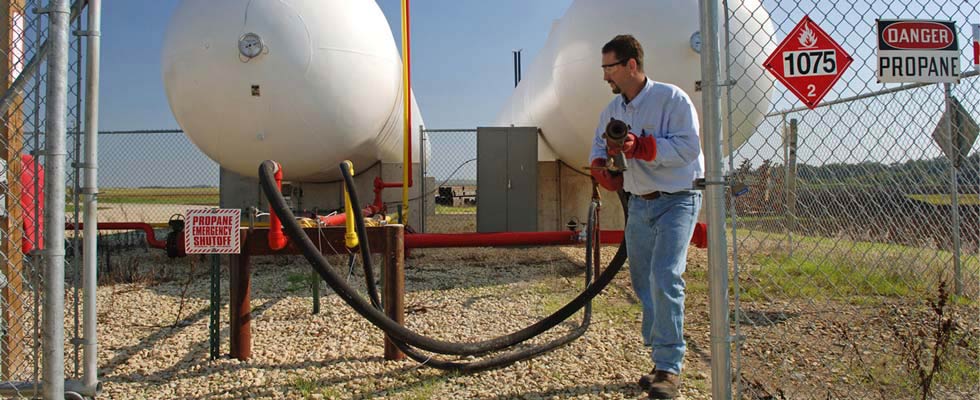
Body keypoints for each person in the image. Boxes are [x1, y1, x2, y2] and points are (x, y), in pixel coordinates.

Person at [589, 34, 704, 399]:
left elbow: (688, 148)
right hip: (639, 202)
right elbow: (597, 149)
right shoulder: (612, 112)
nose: (605, 76)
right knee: (643, 280)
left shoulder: (671, 99)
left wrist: (642, 146)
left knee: (664, 274)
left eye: (609, 67)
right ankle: (660, 358)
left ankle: (669, 367)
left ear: (631, 65)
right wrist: (602, 170)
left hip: (678, 199)